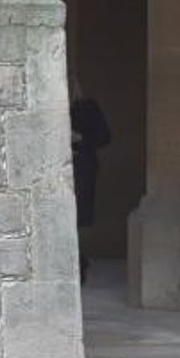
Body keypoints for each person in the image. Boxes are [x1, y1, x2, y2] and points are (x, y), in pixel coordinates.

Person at [70, 76, 110, 283]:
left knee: (78, 219)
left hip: (83, 171)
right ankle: (77, 262)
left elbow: (104, 137)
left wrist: (80, 139)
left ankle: (79, 265)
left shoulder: (88, 108)